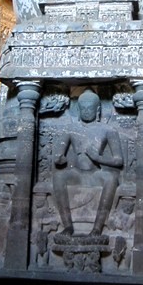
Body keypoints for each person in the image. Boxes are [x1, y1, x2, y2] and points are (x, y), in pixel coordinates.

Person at [53, 89, 123, 237]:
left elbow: (118, 160)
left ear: (97, 110)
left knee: (111, 178)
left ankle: (97, 228)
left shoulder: (108, 130)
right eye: (83, 108)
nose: (86, 111)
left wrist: (97, 158)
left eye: (89, 108)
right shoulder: (70, 129)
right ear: (78, 110)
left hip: (96, 174)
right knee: (59, 177)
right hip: (76, 173)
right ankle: (67, 226)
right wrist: (59, 159)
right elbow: (59, 155)